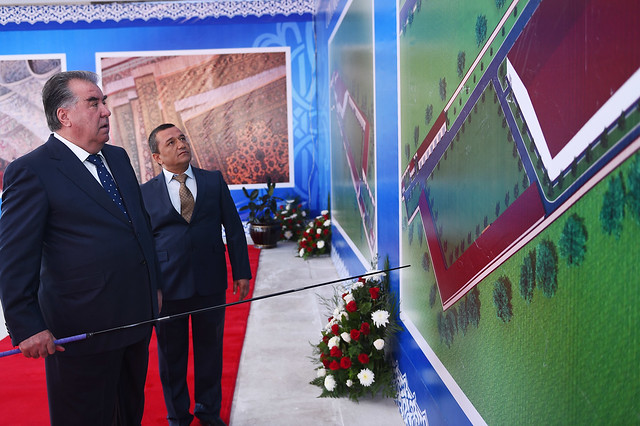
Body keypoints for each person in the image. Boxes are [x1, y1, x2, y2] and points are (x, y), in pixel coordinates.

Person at [0, 70, 162, 426]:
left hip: (135, 319)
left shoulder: (117, 158)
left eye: (104, 101)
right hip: (79, 331)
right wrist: (26, 326)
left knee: (128, 414)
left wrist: (155, 287)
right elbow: (14, 257)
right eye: (94, 103)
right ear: (65, 115)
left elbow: (139, 227)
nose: (106, 111)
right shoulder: (32, 170)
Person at [141, 123, 251, 426]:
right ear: (157, 157)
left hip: (210, 281)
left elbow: (233, 227)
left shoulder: (213, 181)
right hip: (168, 287)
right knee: (171, 357)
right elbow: (143, 244)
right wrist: (150, 287)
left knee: (210, 352)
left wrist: (241, 271)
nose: (181, 144)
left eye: (182, 138)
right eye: (170, 142)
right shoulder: (145, 193)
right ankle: (177, 416)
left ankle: (208, 411)